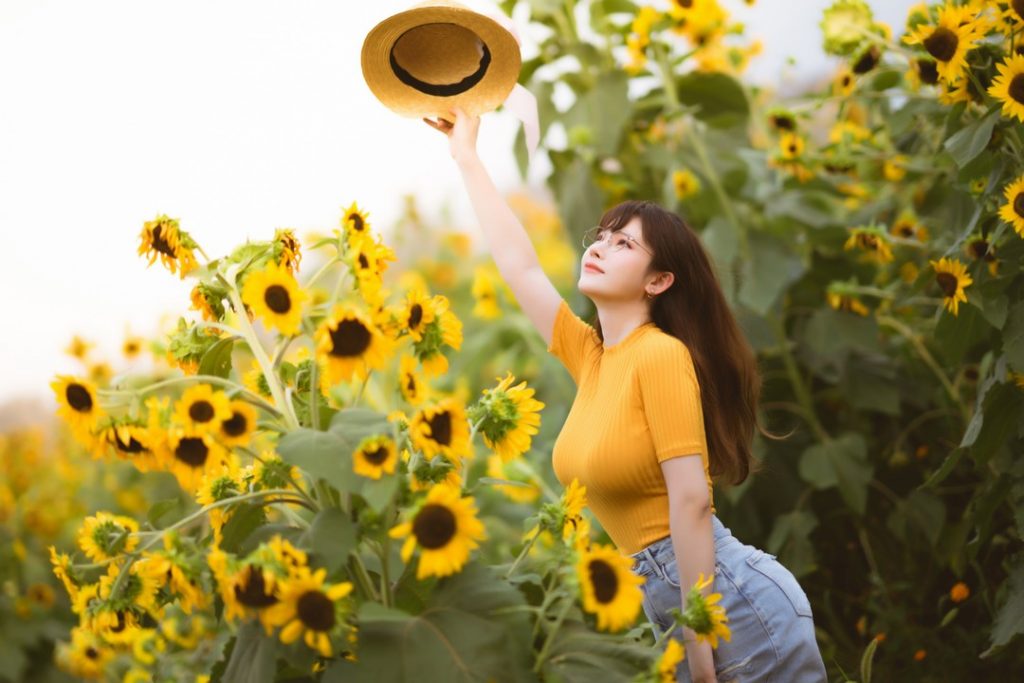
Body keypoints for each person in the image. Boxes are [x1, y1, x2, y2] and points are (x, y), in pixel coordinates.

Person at [425, 106, 828, 683]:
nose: (601, 246)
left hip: (731, 610)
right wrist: (466, 156)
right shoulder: (593, 358)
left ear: (658, 281)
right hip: (676, 607)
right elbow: (520, 267)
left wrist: (697, 645)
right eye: (603, 236)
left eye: (624, 244)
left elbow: (690, 501)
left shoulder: (660, 355)